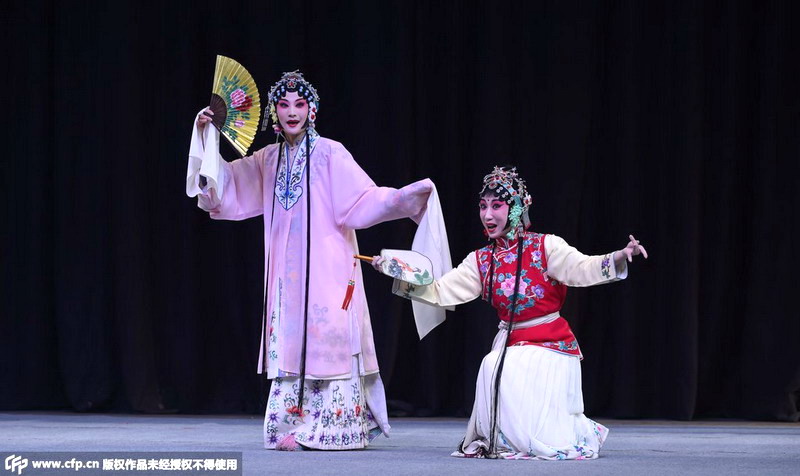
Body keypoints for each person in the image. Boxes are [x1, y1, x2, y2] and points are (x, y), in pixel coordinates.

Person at [186, 71, 435, 450]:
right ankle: (291, 425)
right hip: (285, 274)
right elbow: (226, 187)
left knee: (327, 333)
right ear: (273, 112)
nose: (291, 112)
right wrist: (207, 137)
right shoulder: (267, 160)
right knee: (290, 337)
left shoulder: (331, 154)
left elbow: (362, 199)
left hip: (329, 267)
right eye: (284, 105)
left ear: (312, 110)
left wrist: (402, 199)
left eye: (299, 104)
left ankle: (335, 427)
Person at [373, 166, 648, 460]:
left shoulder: (546, 246)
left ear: (516, 207)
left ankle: (527, 438)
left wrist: (618, 257)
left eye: (496, 205)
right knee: (493, 364)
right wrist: (397, 273)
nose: (487, 215)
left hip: (551, 345)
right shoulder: (481, 260)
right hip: (511, 344)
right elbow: (440, 291)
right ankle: (504, 441)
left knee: (498, 366)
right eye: (483, 206)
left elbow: (583, 268)